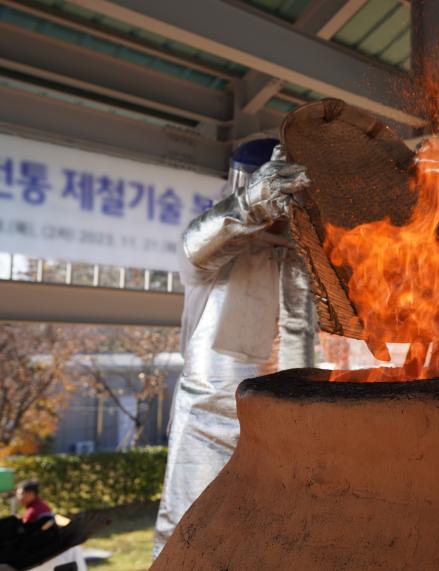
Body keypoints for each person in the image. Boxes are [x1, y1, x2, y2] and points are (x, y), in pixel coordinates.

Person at [153, 138, 317, 556]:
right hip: (209, 431)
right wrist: (250, 203)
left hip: (293, 430)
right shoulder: (215, 249)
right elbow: (198, 243)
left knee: (284, 549)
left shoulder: (307, 256)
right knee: (195, 547)